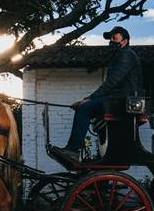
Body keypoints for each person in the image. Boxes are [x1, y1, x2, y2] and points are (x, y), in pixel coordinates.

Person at [52, 26, 143, 163]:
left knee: (84, 109)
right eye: (110, 39)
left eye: (114, 38)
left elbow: (111, 83)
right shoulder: (119, 56)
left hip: (122, 101)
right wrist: (86, 99)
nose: (111, 41)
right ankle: (96, 154)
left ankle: (72, 151)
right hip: (116, 99)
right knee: (84, 106)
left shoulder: (126, 55)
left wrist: (89, 100)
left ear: (124, 41)